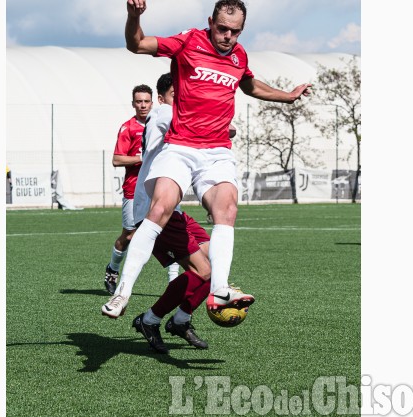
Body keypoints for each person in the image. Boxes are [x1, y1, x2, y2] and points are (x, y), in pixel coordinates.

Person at [103, 0, 312, 316]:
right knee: (160, 207)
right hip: (181, 147)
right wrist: (134, 17)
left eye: (236, 31)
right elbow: (137, 44)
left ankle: (220, 290)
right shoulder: (189, 41)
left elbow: (249, 84)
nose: (228, 36)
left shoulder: (239, 55)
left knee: (227, 207)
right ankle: (122, 293)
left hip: (216, 152)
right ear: (210, 21)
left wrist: (288, 96)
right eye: (222, 28)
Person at [103, 73, 212, 353]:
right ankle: (153, 318)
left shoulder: (174, 117)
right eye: (179, 95)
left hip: (173, 210)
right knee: (203, 271)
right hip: (155, 211)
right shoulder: (162, 114)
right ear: (161, 99)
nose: (184, 100)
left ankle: (177, 319)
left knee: (213, 261)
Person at [103, 84, 179, 294]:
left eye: (146, 101)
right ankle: (113, 269)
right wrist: (142, 158)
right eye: (139, 101)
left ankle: (174, 281)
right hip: (134, 189)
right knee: (129, 235)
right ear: (133, 104)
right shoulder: (128, 128)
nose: (143, 105)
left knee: (169, 232)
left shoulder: (165, 121)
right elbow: (117, 160)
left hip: (160, 186)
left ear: (153, 102)